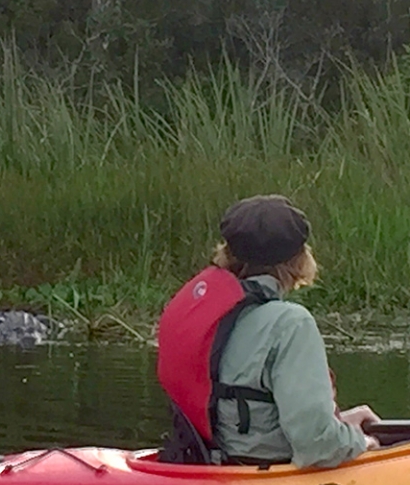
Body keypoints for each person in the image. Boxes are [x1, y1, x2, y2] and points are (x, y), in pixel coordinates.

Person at [157, 194, 380, 468]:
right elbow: (317, 447)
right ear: (299, 259)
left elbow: (252, 418)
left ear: (227, 252)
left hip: (206, 461)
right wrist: (360, 442)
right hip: (260, 469)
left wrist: (342, 422)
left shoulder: (212, 312)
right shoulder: (290, 323)